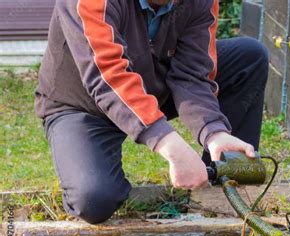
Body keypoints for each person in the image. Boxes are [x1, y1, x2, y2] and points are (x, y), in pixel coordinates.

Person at [34, 0, 268, 224]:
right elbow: (106, 77)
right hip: (83, 103)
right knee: (93, 199)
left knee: (249, 57)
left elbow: (193, 74)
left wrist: (214, 131)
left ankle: (220, 180)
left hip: (152, 80)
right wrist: (169, 144)